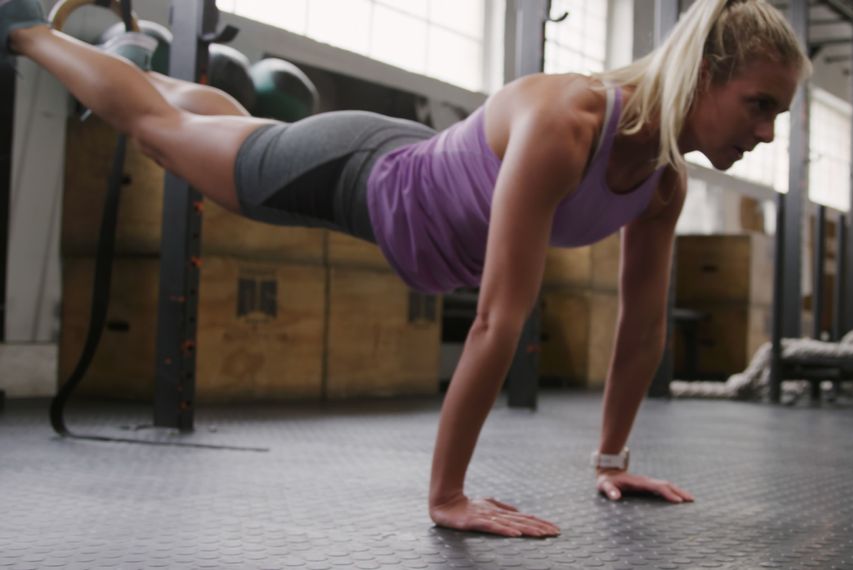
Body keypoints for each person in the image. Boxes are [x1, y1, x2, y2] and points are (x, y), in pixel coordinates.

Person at [3, 0, 810, 538]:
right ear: (704, 75)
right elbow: (499, 317)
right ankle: (27, 28)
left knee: (221, 132)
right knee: (153, 134)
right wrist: (447, 495)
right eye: (760, 104)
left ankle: (122, 60)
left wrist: (611, 463)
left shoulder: (663, 184)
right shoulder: (570, 122)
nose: (768, 133)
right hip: (354, 176)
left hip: (386, 162)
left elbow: (639, 330)